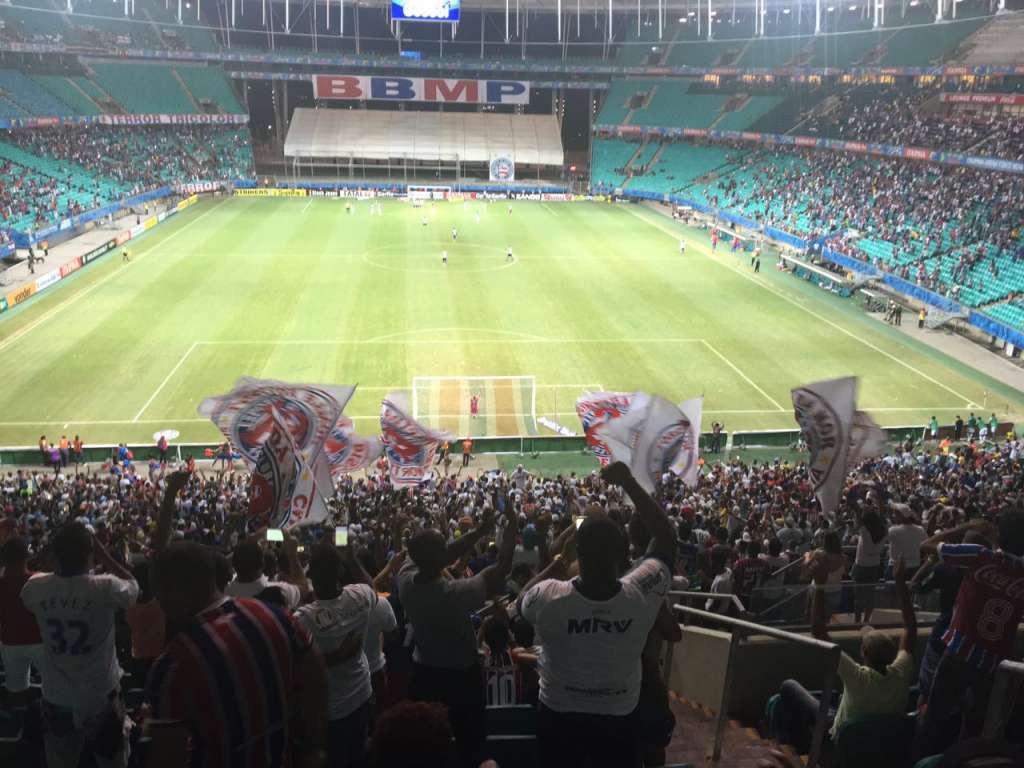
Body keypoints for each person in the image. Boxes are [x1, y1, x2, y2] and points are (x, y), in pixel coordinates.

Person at [518, 462, 675, 768]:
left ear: (578, 550)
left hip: (557, 715)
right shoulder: (642, 593)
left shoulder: (550, 595)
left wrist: (556, 564)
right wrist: (628, 482)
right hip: (619, 717)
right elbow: (667, 538)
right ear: (623, 555)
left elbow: (523, 600)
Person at [145, 541, 328, 768]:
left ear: (174, 591)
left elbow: (168, 757)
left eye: (159, 593)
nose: (159, 603)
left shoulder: (173, 665)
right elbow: (316, 679)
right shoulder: (275, 615)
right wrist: (313, 749)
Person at [397, 504, 517, 766]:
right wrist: (511, 529)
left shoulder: (404, 581)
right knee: (472, 745)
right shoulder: (458, 593)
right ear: (442, 558)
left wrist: (477, 532)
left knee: (428, 744)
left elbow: (436, 557)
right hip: (462, 678)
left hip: (424, 673)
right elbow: (503, 567)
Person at [21, 523, 139, 768]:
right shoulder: (106, 587)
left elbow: (40, 578)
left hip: (56, 696)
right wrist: (104, 553)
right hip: (100, 696)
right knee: (113, 763)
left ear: (55, 554)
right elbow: (133, 585)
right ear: (91, 553)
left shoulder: (35, 587)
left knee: (61, 762)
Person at [774, 557, 916, 751]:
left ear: (863, 652)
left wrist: (820, 585)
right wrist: (901, 584)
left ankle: (793, 749)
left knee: (788, 686)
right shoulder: (901, 673)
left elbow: (817, 630)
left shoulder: (857, 676)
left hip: (841, 737)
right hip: (878, 743)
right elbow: (911, 628)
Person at [914, 514, 1024, 756]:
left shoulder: (980, 555)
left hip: (958, 653)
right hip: (995, 663)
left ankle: (922, 760)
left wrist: (967, 526)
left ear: (998, 535)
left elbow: (926, 545)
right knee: (975, 729)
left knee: (934, 720)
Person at [295, 545, 381, 768]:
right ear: (341, 572)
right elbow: (372, 588)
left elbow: (296, 667)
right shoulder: (359, 596)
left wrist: (335, 657)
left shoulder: (304, 618)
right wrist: (351, 558)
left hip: (331, 710)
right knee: (360, 752)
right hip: (363, 693)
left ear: (311, 575)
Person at [0, 537, 44, 707]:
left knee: (16, 688)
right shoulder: (39, 581)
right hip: (40, 641)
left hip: (10, 642)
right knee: (52, 686)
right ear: (26, 557)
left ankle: (17, 719)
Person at [225, 535, 307, 610]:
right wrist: (292, 554)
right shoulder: (279, 592)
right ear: (263, 565)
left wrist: (247, 543)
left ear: (233, 565)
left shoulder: (223, 593)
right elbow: (304, 589)